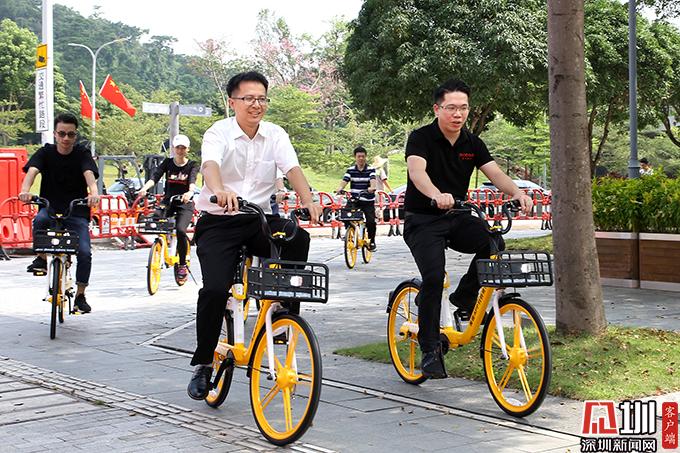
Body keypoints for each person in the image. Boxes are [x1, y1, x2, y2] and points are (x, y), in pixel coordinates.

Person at [187, 71, 323, 400]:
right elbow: (210, 165)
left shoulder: (275, 134)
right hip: (219, 221)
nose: (256, 104)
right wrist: (219, 190)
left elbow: (292, 169)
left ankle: (283, 310)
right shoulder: (218, 132)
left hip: (258, 219)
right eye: (248, 98)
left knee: (297, 238)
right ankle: (203, 363)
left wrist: (308, 200)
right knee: (215, 290)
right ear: (232, 102)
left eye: (261, 98)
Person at [403, 79, 532, 379]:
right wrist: (436, 194)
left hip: (458, 215)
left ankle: (463, 298)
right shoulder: (421, 138)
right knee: (434, 278)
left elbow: (495, 173)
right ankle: (430, 350)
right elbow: (417, 172)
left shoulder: (472, 143)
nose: (458, 114)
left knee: (493, 243)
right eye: (451, 108)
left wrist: (517, 192)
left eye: (463, 108)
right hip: (423, 219)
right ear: (437, 109)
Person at [18, 112, 100, 313]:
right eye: (62, 133)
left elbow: (89, 174)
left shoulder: (82, 153)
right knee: (39, 220)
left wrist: (94, 193)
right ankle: (41, 258)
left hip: (76, 211)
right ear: (55, 134)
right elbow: (32, 171)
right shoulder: (45, 152)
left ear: (75, 135)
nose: (66, 138)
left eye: (70, 134)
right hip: (50, 208)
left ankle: (80, 295)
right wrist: (25, 191)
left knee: (85, 253)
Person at [137, 134, 199, 282]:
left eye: (183, 148)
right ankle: (161, 244)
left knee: (181, 230)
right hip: (168, 202)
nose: (180, 150)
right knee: (155, 219)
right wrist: (144, 189)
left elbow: (192, 181)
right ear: (173, 148)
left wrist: (189, 193)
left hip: (184, 203)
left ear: (188, 149)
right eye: (178, 147)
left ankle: (182, 264)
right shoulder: (167, 163)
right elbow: (155, 177)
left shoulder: (192, 165)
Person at [336, 146, 378, 251]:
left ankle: (372, 241)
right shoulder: (350, 170)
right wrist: (340, 188)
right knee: (345, 215)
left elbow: (373, 181)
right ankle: (349, 233)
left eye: (363, 156)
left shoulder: (371, 169)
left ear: (366, 157)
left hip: (367, 200)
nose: (361, 158)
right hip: (355, 200)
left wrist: (372, 188)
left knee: (371, 222)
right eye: (359, 156)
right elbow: (345, 180)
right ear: (355, 157)